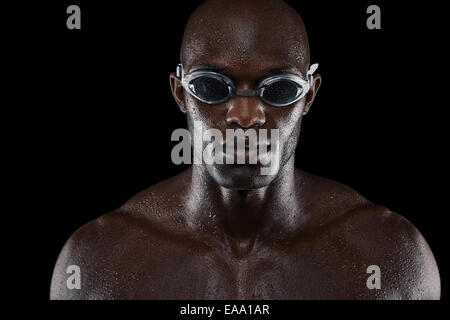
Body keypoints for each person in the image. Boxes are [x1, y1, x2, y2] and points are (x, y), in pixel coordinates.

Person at [50, 0, 440, 299]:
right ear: (180, 93)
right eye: (212, 87)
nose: (245, 115)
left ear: (309, 96)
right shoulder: (99, 261)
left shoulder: (388, 256)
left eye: (280, 88)